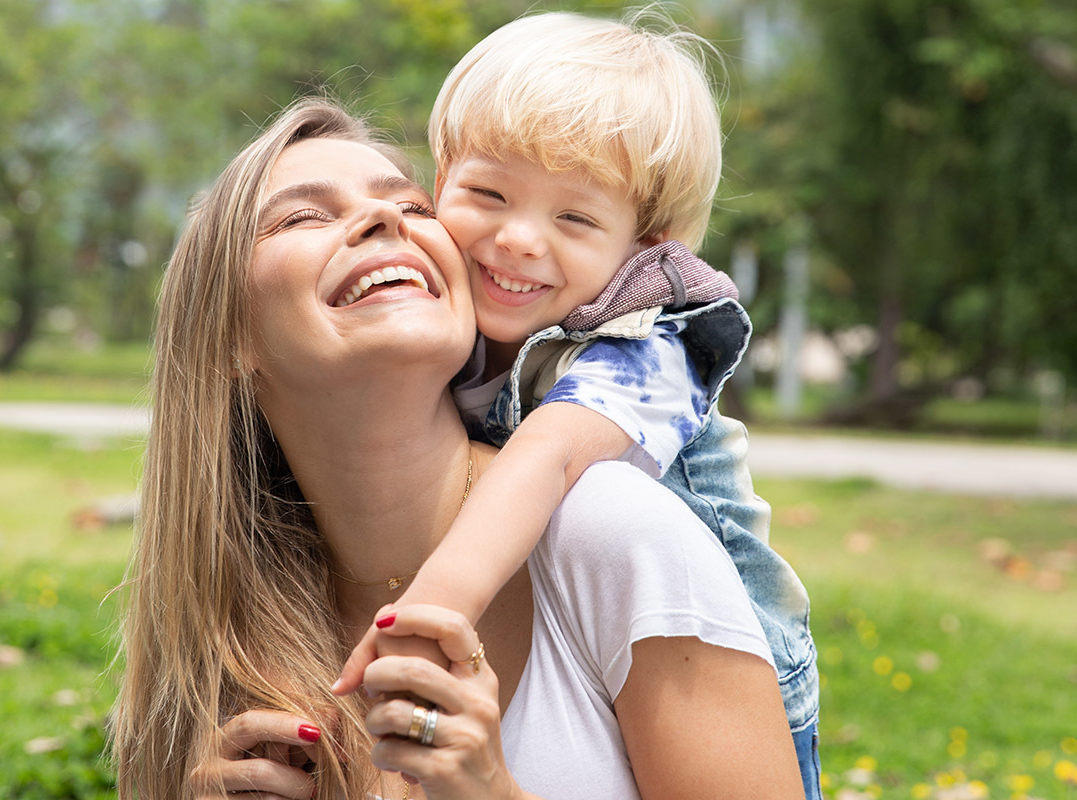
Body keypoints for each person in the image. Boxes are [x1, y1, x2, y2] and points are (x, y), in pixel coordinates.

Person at [111, 97, 805, 799]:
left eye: (412, 207)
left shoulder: (612, 530)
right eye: (303, 217)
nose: (384, 221)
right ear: (229, 335)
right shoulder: (218, 644)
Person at [335, 11, 822, 797]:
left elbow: (547, 455)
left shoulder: (648, 342)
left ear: (644, 245)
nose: (520, 238)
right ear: (439, 184)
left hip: (715, 664)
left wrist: (427, 619)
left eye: (574, 217)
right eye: (488, 192)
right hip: (570, 630)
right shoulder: (449, 320)